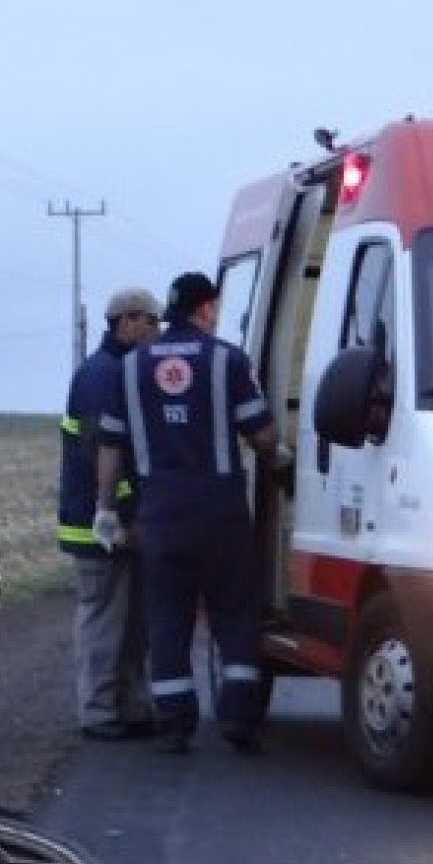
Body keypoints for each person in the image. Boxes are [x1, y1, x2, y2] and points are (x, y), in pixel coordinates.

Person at [95, 271, 285, 755]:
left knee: (168, 619)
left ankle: (175, 725)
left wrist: (106, 510)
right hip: (220, 512)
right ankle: (238, 719)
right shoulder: (228, 361)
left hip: (161, 514)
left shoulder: (131, 368)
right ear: (207, 309)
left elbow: (110, 447)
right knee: (233, 614)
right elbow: (260, 435)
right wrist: (282, 461)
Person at [57, 286, 159, 741]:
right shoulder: (104, 376)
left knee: (132, 621)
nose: (156, 331)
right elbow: (102, 452)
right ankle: (99, 712)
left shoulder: (120, 370)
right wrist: (116, 514)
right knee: (105, 620)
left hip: (118, 521)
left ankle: (131, 706)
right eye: (150, 321)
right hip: (99, 527)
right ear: (125, 321)